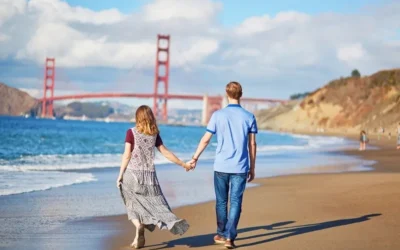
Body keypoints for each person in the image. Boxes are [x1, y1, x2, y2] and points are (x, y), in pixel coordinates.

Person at [190, 81, 258, 249]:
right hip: (240, 167)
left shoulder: (217, 115)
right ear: (241, 94)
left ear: (227, 95)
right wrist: (252, 167)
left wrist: (195, 157)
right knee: (235, 202)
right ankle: (229, 238)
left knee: (221, 202)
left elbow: (206, 139)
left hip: (221, 166)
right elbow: (252, 144)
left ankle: (221, 234)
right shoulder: (249, 117)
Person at [116, 105, 192, 249]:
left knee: (132, 204)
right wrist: (183, 164)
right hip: (150, 178)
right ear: (150, 117)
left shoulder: (131, 132)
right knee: (156, 205)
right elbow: (166, 153)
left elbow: (127, 155)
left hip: (132, 174)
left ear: (137, 117)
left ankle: (138, 225)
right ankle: (138, 234)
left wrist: (120, 175)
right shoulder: (154, 135)